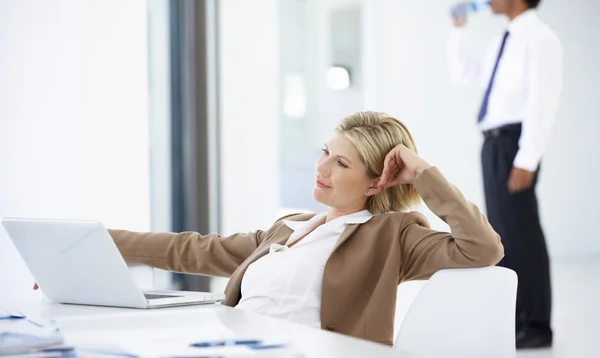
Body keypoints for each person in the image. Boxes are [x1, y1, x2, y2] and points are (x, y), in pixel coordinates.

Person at [90, 111, 504, 346]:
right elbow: (193, 250)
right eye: (326, 152)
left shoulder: (392, 235)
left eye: (342, 163)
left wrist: (424, 173)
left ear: (377, 182)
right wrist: (93, 245)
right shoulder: (289, 228)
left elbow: (481, 249)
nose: (322, 168)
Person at [447, 0, 561, 349]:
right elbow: (464, 75)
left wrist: (526, 160)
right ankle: (514, 322)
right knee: (502, 236)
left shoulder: (540, 39)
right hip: (493, 144)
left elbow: (542, 103)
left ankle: (538, 327)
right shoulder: (504, 39)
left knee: (522, 236)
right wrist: (458, 32)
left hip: (515, 145)